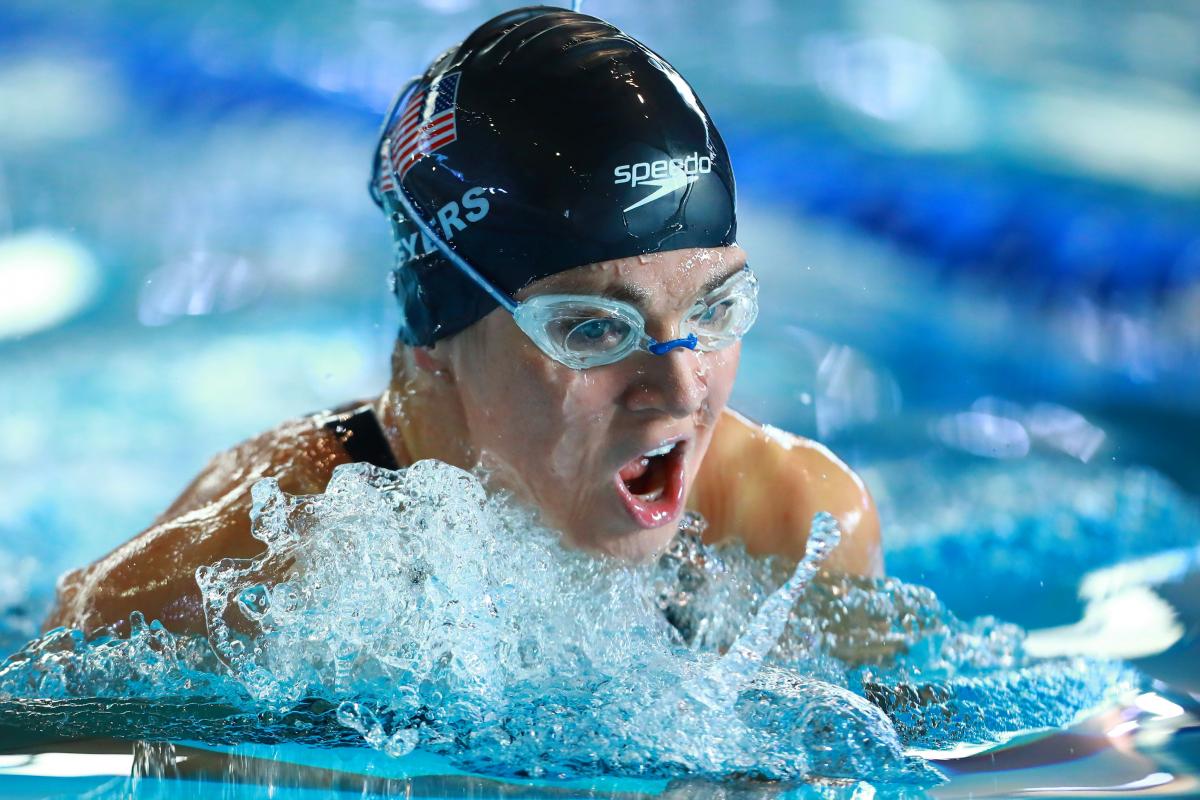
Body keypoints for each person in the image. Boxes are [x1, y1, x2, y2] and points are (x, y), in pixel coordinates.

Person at [44, 6, 881, 638]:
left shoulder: (790, 532)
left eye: (713, 309)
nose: (680, 387)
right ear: (440, 335)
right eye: (594, 330)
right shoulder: (244, 571)